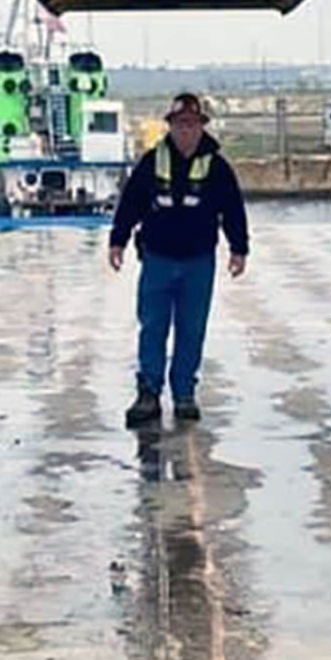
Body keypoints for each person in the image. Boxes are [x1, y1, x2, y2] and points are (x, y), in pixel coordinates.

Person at [108, 90, 249, 427]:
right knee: (152, 327)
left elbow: (232, 209)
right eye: (180, 124)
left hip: (198, 262)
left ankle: (184, 393)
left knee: (191, 329)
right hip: (157, 260)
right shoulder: (151, 162)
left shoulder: (217, 167)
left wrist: (239, 248)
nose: (186, 130)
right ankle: (148, 393)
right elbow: (130, 204)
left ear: (201, 126)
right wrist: (118, 241)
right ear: (170, 126)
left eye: (192, 124)